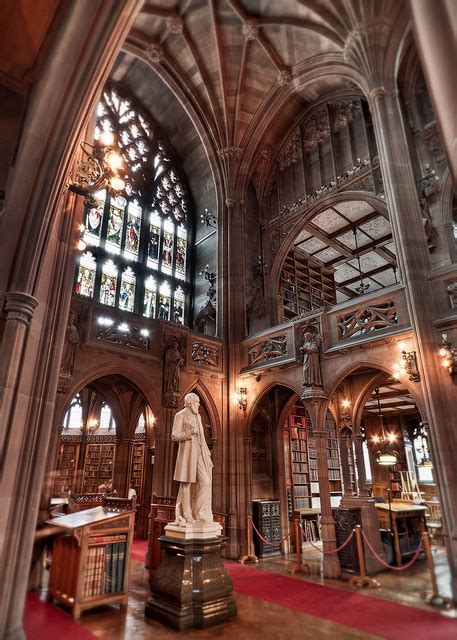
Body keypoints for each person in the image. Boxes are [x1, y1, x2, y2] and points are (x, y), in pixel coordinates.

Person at [171, 393, 213, 525]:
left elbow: (202, 437)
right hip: (187, 454)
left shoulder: (198, 416)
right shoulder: (180, 415)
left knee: (205, 481)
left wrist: (207, 453)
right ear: (189, 403)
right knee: (186, 483)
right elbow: (174, 435)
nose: (198, 405)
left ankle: (200, 512)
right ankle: (187, 513)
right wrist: (189, 433)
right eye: (196, 402)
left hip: (200, 452)